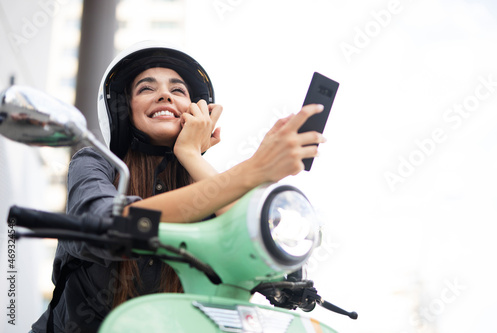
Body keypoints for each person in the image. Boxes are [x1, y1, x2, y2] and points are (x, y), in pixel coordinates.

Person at [30, 41, 326, 332]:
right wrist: (256, 168)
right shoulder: (98, 163)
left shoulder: (208, 184)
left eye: (178, 90)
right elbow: (105, 223)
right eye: (146, 88)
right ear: (122, 109)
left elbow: (255, 238)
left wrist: (190, 156)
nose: (164, 95)